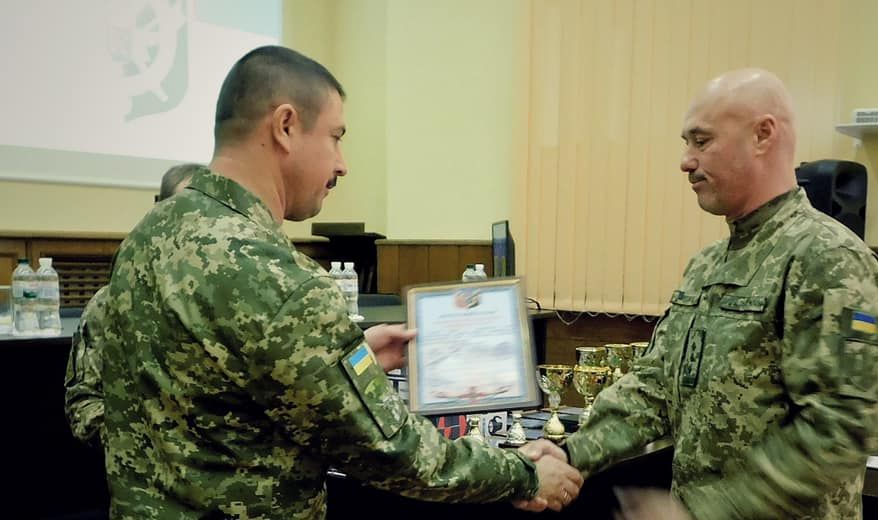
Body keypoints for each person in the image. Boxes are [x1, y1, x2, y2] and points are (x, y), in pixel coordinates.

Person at [97, 45, 582, 518]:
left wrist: (349, 359)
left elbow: (208, 388)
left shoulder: (149, 234)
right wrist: (522, 473)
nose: (342, 163)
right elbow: (392, 450)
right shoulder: (278, 278)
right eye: (335, 136)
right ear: (286, 126)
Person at [522, 68, 878, 519]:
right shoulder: (707, 265)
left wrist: (706, 512)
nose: (685, 161)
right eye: (687, 143)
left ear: (762, 135)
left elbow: (839, 431)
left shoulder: (829, 260)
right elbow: (654, 388)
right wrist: (571, 452)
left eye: (701, 141)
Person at [64, 162, 203, 445]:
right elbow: (84, 402)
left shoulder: (230, 302)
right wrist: (144, 444)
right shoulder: (112, 302)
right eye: (183, 208)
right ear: (159, 211)